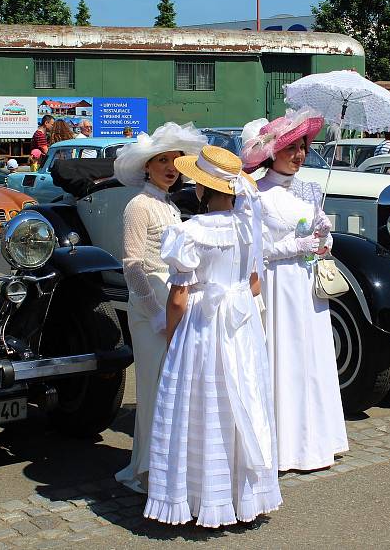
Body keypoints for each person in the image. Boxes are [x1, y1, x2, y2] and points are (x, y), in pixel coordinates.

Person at [144, 145, 281, 528]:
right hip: (242, 324)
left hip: (204, 325)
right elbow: (254, 285)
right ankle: (244, 495)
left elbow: (178, 296)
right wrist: (234, 289)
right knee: (244, 395)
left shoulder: (189, 232)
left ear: (201, 190)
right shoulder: (249, 227)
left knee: (200, 402)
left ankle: (200, 495)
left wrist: (172, 336)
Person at [241, 107, 349, 472]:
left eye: (303, 147)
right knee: (283, 359)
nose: (299, 155)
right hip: (277, 286)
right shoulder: (255, 194)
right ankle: (284, 446)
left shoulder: (308, 191)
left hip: (306, 288)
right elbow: (253, 250)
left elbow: (320, 239)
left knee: (312, 359)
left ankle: (316, 440)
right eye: (291, 149)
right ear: (273, 153)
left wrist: (324, 237)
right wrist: (295, 247)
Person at [113, 122, 208, 495]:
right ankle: (147, 470)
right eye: (162, 160)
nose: (171, 167)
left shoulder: (168, 205)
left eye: (175, 160)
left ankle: (167, 463)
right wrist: (154, 312)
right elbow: (133, 264)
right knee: (153, 386)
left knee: (173, 386)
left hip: (172, 301)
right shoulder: (139, 206)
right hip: (150, 303)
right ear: (147, 166)